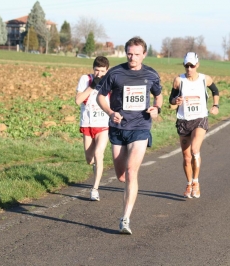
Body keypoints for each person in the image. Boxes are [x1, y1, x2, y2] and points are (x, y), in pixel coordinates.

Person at [96, 36, 163, 235]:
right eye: (129, 53)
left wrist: (157, 108)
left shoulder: (151, 74)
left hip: (140, 127)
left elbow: (158, 95)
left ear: (144, 54)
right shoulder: (115, 73)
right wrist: (110, 112)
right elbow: (100, 96)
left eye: (136, 54)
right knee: (121, 175)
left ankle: (125, 219)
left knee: (132, 171)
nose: (132, 57)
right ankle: (126, 196)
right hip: (118, 128)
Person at [169, 52, 219, 199]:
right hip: (183, 120)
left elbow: (215, 91)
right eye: (186, 66)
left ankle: (196, 182)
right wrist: (175, 101)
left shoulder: (205, 79)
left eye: (191, 65)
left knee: (195, 150)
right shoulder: (179, 80)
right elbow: (171, 99)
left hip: (200, 119)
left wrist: (216, 105)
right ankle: (189, 183)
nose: (189, 68)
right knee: (186, 157)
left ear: (197, 65)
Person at [75, 56, 110, 201]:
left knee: (98, 153)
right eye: (97, 70)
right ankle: (95, 165)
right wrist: (92, 86)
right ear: (93, 69)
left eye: (102, 71)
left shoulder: (110, 81)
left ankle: (95, 189)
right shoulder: (85, 79)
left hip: (103, 125)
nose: (99, 74)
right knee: (90, 160)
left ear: (107, 71)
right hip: (88, 124)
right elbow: (77, 101)